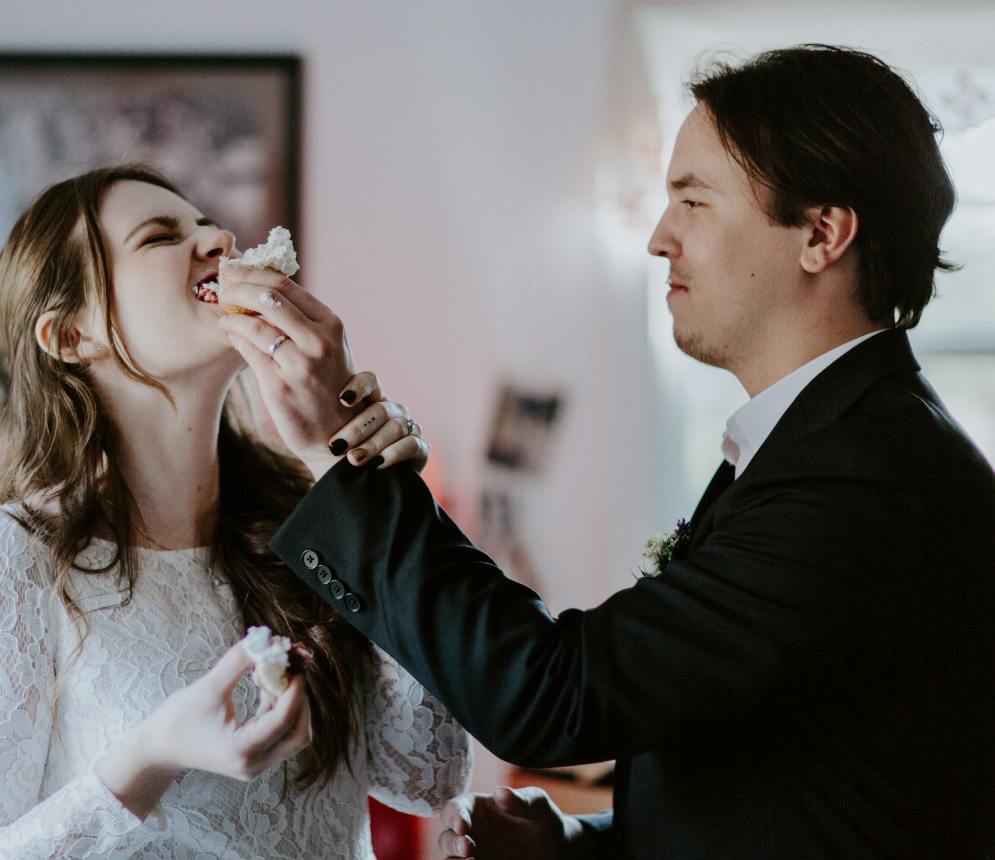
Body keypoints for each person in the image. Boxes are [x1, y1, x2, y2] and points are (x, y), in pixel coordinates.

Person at [217, 45, 995, 858]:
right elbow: (788, 780)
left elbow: (550, 696)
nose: (660, 238)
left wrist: (336, 452)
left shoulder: (858, 475)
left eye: (694, 200)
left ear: (820, 234)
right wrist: (581, 845)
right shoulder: (828, 439)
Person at [0, 164, 473, 859]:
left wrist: (375, 499)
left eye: (209, 225)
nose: (218, 239)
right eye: (159, 236)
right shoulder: (2, 556)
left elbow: (431, 773)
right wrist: (150, 756)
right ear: (70, 337)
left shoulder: (315, 522)